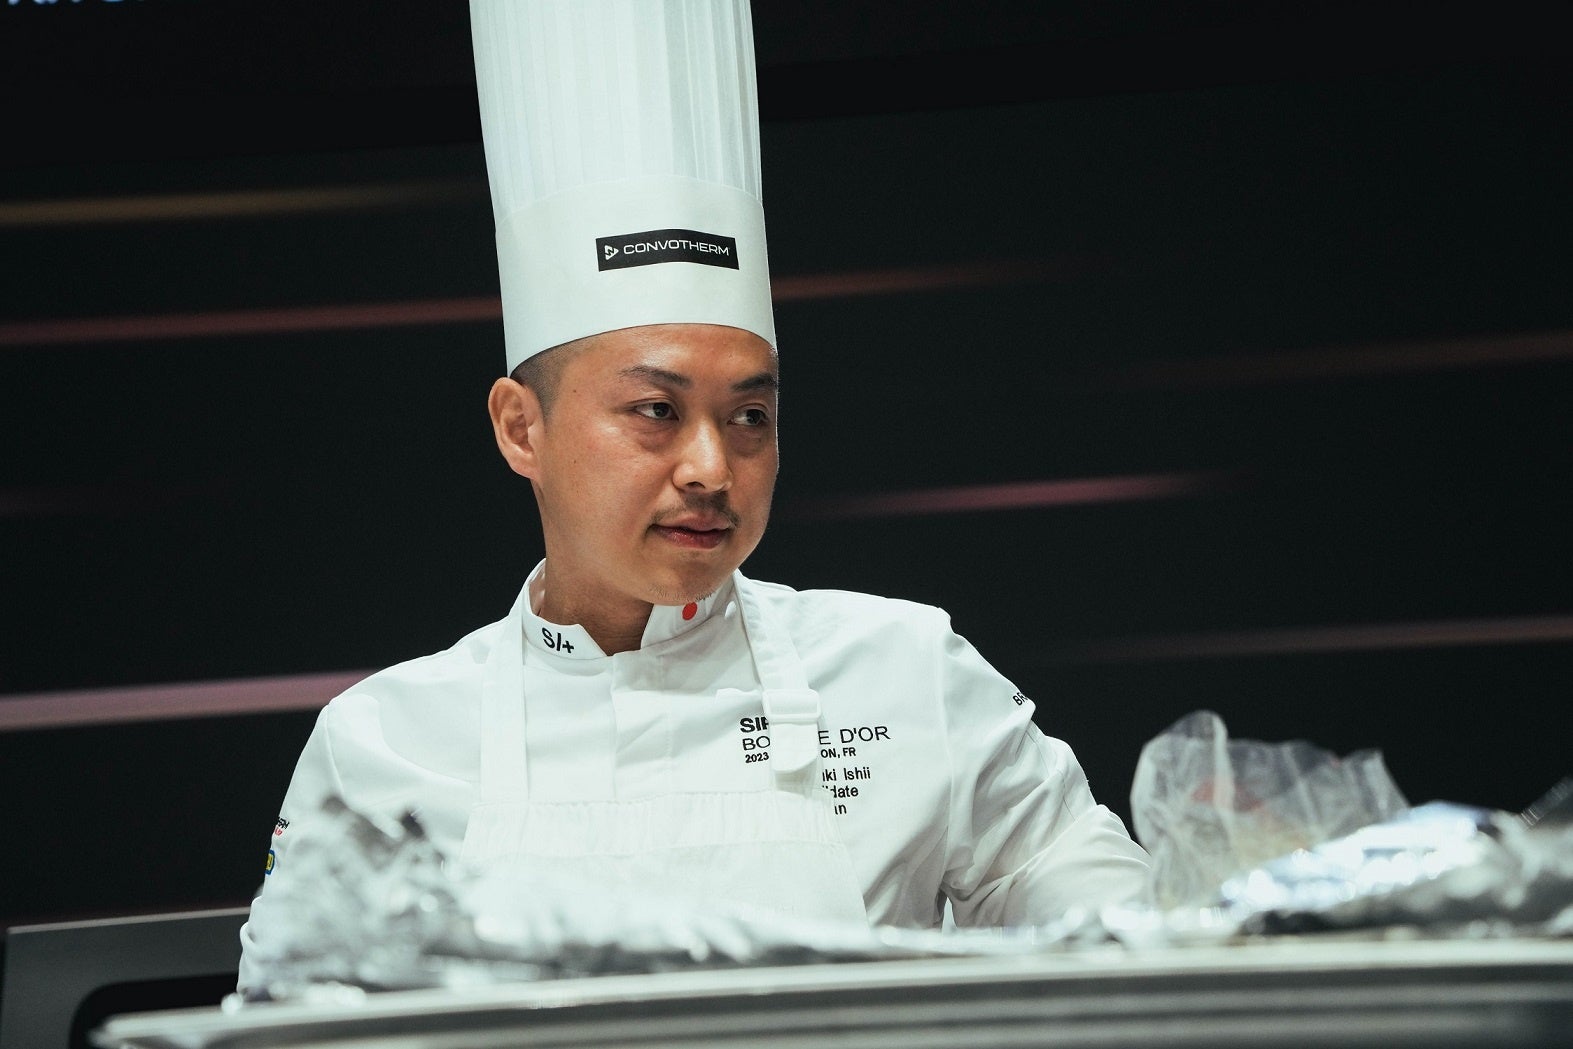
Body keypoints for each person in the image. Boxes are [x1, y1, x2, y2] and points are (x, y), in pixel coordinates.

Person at [239, 0, 1147, 992]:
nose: (711, 467)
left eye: (749, 415)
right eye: (656, 412)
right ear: (521, 427)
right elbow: (283, 1020)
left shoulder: (907, 669)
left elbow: (1125, 937)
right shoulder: (383, 741)